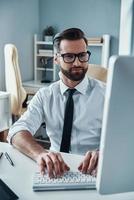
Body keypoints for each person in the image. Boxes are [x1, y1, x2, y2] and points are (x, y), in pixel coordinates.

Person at [8, 28, 105, 178]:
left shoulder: (107, 94)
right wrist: (40, 154)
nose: (77, 62)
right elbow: (16, 131)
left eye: (82, 55)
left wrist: (105, 153)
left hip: (94, 169)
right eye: (69, 57)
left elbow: (127, 136)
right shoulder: (45, 95)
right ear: (56, 59)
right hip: (54, 169)